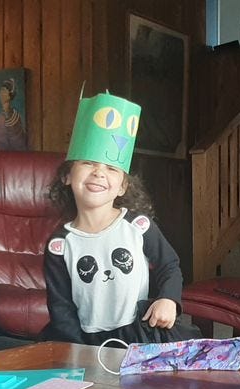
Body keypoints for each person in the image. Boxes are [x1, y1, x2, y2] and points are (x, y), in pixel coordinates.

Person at [43, 92, 201, 345]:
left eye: (111, 168)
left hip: (142, 333)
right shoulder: (59, 245)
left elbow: (169, 266)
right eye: (88, 163)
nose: (99, 173)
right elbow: (61, 307)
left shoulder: (138, 227)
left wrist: (168, 299)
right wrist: (79, 352)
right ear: (67, 176)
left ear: (122, 187)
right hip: (87, 340)